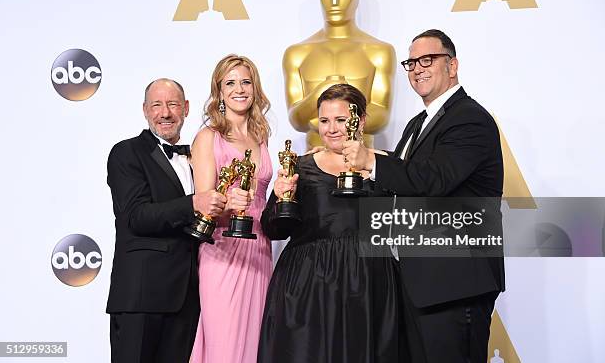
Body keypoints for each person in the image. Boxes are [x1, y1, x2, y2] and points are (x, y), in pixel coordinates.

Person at [343, 29, 505, 363]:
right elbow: (400, 178)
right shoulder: (419, 122)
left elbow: (434, 178)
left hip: (455, 284)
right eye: (411, 62)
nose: (417, 68)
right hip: (418, 283)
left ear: (453, 65)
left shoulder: (470, 120)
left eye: (427, 59)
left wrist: (371, 160)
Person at [258, 84, 401, 362]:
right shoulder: (299, 166)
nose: (331, 128)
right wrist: (278, 196)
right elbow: (273, 229)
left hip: (370, 284)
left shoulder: (387, 165)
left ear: (359, 120)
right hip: (309, 287)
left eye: (340, 120)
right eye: (324, 121)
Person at [106, 78, 226, 363]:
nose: (165, 113)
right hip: (142, 297)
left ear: (185, 108)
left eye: (172, 104)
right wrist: (193, 203)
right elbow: (136, 216)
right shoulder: (126, 153)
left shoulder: (197, 157)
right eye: (157, 105)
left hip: (186, 297)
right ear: (145, 110)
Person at [190, 54, 273, 363]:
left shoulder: (261, 138)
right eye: (230, 83)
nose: (240, 89)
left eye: (246, 82)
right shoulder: (207, 138)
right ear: (219, 91)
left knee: (255, 345)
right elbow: (203, 205)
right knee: (223, 345)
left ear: (255, 88)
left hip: (259, 250)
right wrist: (228, 203)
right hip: (223, 251)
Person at [283, 0, 395, 148]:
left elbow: (381, 117)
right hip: (313, 165)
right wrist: (321, 91)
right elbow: (296, 120)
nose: (334, 2)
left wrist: (326, 121)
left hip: (362, 165)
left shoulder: (380, 51)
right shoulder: (297, 54)